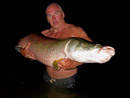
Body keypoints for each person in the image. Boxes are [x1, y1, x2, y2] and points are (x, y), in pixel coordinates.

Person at [20, 3, 92, 88]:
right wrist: (23, 52)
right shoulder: (43, 34)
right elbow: (24, 47)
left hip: (68, 80)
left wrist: (76, 63)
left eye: (56, 13)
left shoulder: (75, 31)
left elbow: (91, 51)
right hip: (47, 77)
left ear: (63, 14)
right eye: (50, 15)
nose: (53, 18)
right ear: (47, 19)